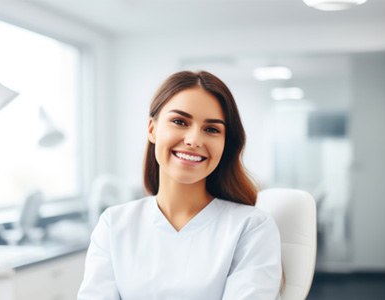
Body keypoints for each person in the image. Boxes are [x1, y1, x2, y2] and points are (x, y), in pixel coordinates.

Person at [78, 70, 282, 300]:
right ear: (152, 129)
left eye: (212, 129)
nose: (194, 140)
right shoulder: (114, 224)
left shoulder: (251, 228)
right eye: (179, 122)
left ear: (225, 143)